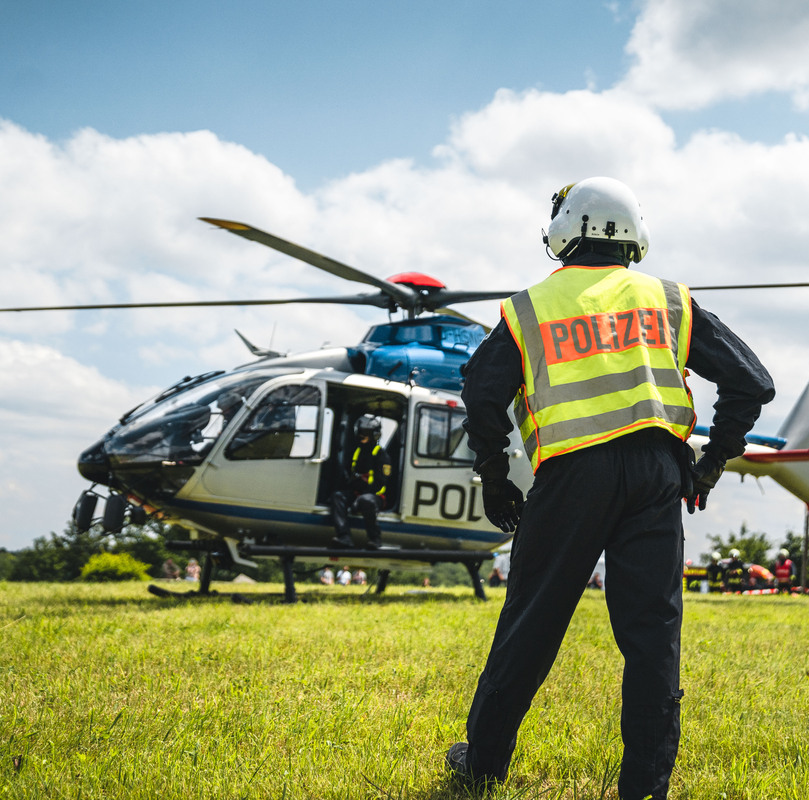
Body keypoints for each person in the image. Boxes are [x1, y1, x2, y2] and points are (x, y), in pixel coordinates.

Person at [445, 177, 774, 800]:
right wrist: (711, 462)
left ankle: (484, 763)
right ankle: (645, 787)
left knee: (530, 624)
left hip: (572, 474)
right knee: (652, 636)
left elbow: (482, 393)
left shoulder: (529, 309)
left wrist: (495, 476)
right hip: (657, 475)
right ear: (634, 234)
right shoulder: (670, 301)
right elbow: (752, 382)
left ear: (564, 230)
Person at [330, 415, 391, 549]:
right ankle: (344, 536)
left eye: (366, 434)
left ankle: (375, 539)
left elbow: (381, 483)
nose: (362, 437)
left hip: (375, 496)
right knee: (337, 496)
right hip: (356, 493)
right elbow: (348, 474)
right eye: (361, 433)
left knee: (366, 500)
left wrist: (363, 493)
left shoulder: (381, 455)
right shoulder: (356, 452)